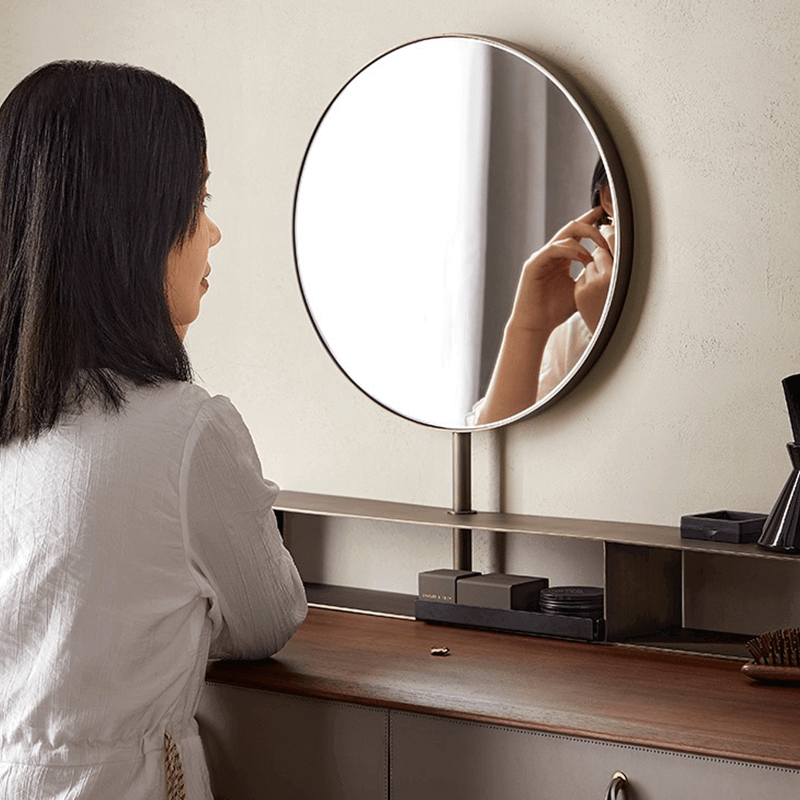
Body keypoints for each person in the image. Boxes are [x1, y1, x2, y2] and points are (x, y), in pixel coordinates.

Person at [0, 61, 307, 800]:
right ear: (130, 228)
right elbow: (267, 617)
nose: (214, 232)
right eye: (198, 201)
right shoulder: (186, 432)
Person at [472, 158, 616, 424]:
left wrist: (610, 332)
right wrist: (529, 328)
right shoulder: (574, 334)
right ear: (608, 199)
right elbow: (491, 444)